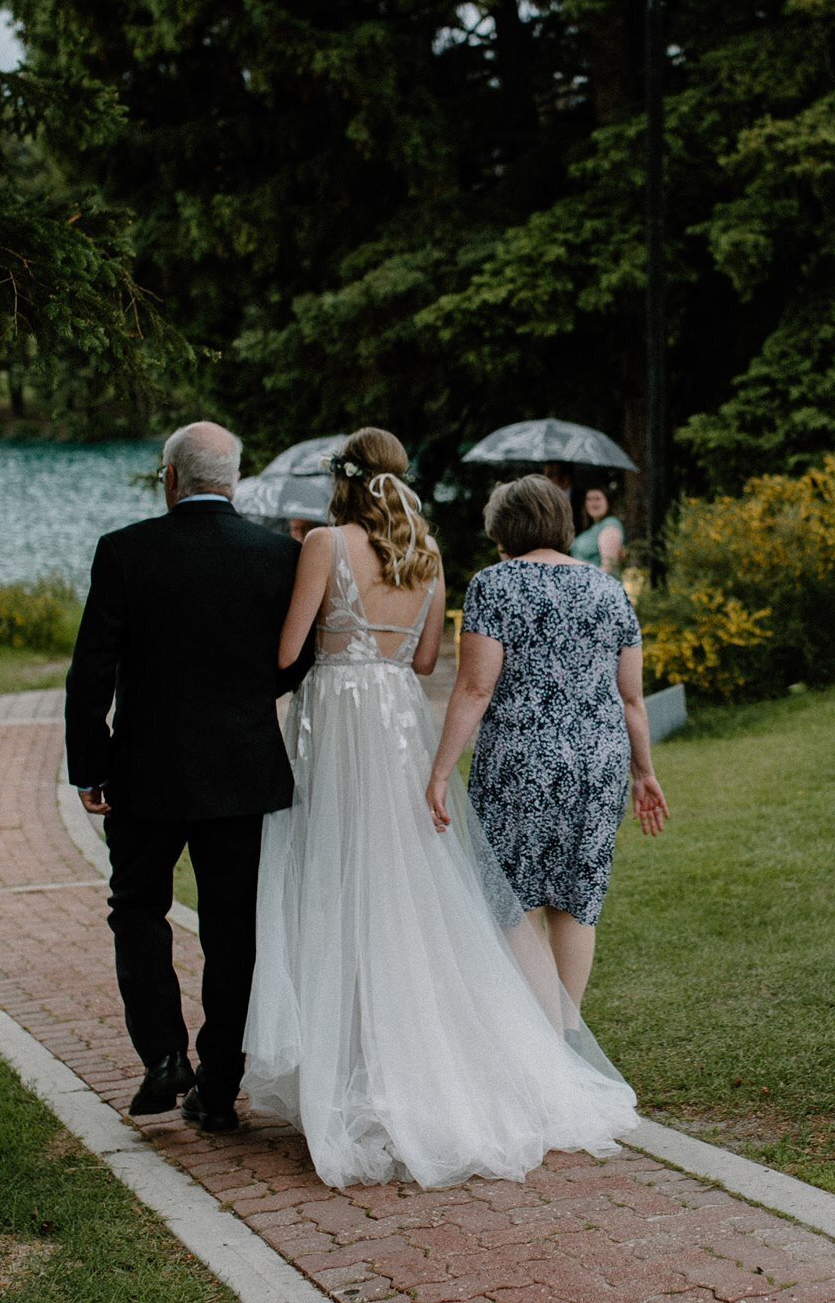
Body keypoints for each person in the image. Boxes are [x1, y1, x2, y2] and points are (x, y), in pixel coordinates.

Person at [243, 429, 638, 1189]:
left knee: (337, 877)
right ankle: (445, 1051)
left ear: (342, 481)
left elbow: (289, 651)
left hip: (339, 720)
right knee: (409, 887)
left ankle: (352, 1063)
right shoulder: (425, 550)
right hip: (396, 724)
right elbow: (426, 663)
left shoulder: (324, 542)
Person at [65, 421, 308, 1135]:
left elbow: (92, 670)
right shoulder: (279, 556)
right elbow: (295, 661)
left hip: (146, 770)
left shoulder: (125, 551)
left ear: (170, 478)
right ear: (232, 480)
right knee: (233, 928)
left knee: (137, 908)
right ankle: (219, 1084)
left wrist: (90, 764)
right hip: (241, 768)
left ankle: (164, 1055)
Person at [427, 474, 668, 1012]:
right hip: (598, 764)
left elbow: (474, 687)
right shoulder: (608, 589)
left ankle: (551, 1047)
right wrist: (643, 772)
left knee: (516, 903)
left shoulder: (495, 584)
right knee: (576, 904)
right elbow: (632, 697)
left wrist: (440, 771)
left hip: (522, 762)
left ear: (504, 527)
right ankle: (569, 1039)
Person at [571, 483, 626, 573]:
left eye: (597, 498)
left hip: (597, 584)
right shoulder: (593, 527)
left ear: (608, 501)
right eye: (589, 499)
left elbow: (608, 566)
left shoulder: (610, 525)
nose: (593, 503)